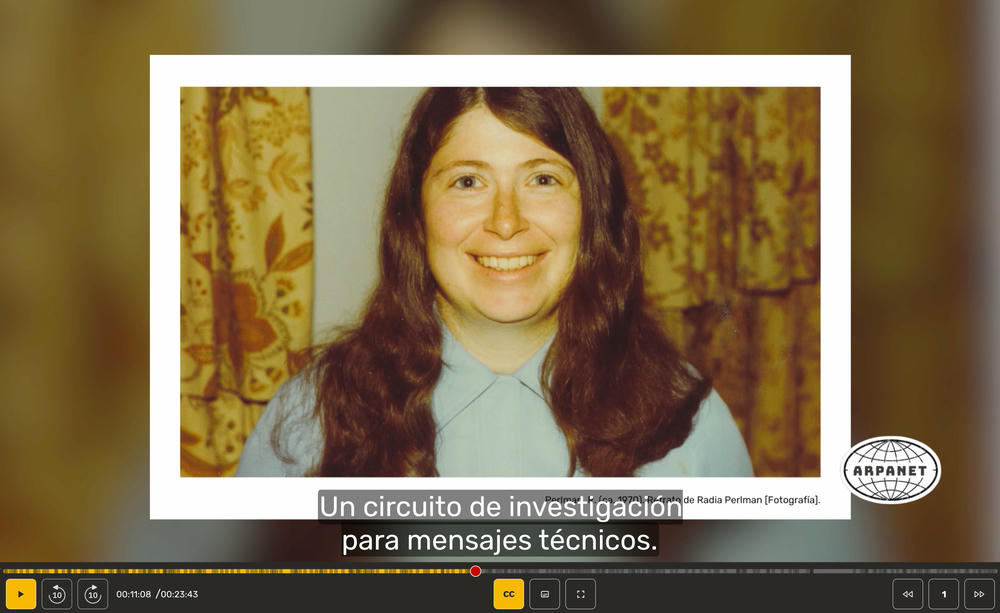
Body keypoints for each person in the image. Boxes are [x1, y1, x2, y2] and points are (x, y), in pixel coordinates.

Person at [236, 87, 753, 478]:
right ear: (415, 217)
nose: (506, 221)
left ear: (594, 211)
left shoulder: (690, 424)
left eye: (542, 179)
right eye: (468, 181)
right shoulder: (311, 418)